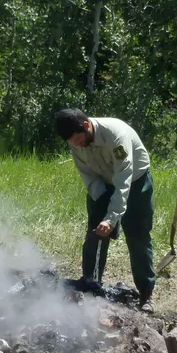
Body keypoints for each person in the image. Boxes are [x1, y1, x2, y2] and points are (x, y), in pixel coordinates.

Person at [54, 108, 156, 313]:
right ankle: (90, 286)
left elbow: (123, 181)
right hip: (102, 182)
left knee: (138, 237)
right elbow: (87, 175)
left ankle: (146, 294)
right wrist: (101, 208)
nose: (76, 145)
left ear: (86, 126)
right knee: (95, 234)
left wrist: (112, 218)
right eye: (71, 142)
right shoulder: (75, 141)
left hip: (134, 182)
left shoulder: (116, 136)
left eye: (77, 139)